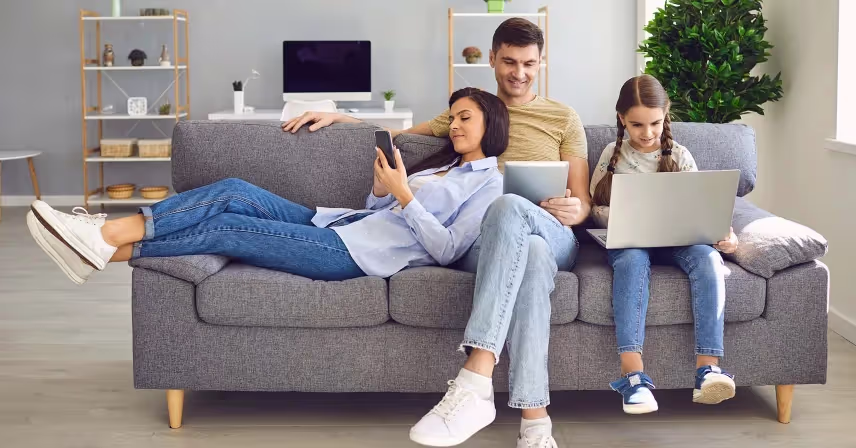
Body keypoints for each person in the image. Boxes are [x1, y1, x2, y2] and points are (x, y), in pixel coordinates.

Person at [284, 18, 589, 448]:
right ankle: (535, 424)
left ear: (541, 62)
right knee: (530, 255)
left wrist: (577, 209)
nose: (519, 73)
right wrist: (340, 118)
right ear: (492, 59)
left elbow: (583, 199)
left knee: (514, 213)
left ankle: (475, 381)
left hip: (550, 230)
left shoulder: (563, 117)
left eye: (529, 64)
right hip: (485, 241)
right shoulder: (467, 113)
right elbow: (399, 137)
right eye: (509, 62)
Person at [26, 88, 508, 285]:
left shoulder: (490, 185)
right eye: (453, 117)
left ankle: (104, 241)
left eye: (465, 118)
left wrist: (404, 195)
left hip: (353, 255)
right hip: (340, 224)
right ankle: (99, 242)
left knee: (230, 228)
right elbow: (377, 209)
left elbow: (448, 250)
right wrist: (384, 191)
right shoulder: (440, 164)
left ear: (492, 123)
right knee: (233, 191)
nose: (453, 126)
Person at [590, 75, 739, 414]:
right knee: (631, 261)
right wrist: (621, 217)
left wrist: (724, 235)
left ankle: (708, 370)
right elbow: (595, 208)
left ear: (665, 116)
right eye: (637, 124)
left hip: (678, 239)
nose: (647, 133)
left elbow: (703, 208)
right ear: (621, 119)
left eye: (655, 123)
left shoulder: (680, 155)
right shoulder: (612, 154)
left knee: (708, 259)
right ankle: (633, 376)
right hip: (631, 239)